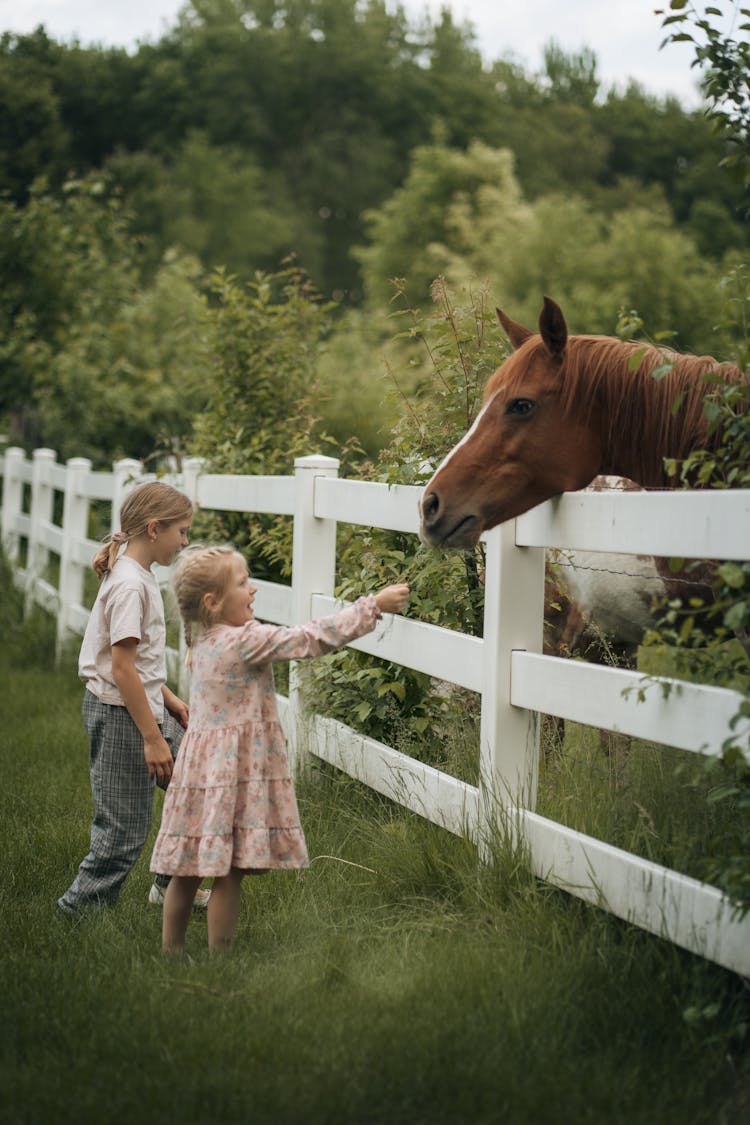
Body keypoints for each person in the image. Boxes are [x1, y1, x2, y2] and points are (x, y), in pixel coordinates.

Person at [150, 544, 410, 956]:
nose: (252, 590)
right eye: (242, 583)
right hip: (235, 774)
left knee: (187, 870)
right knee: (229, 872)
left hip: (200, 774)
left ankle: (171, 950)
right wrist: (372, 605)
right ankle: (221, 957)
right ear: (212, 601)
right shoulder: (244, 640)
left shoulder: (200, 643)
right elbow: (309, 638)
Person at [58, 481, 210, 914]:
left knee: (200, 783)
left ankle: (169, 884)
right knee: (124, 829)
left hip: (143, 707)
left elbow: (133, 660)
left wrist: (169, 699)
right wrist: (153, 737)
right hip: (122, 716)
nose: (184, 541)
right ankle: (80, 910)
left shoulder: (138, 575)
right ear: (154, 528)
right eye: (181, 531)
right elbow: (121, 669)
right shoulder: (129, 585)